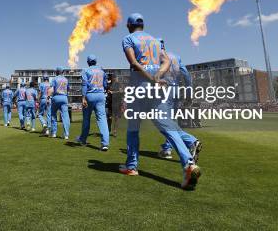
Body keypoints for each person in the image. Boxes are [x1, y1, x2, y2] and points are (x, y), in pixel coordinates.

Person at [118, 13, 201, 190]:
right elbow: (167, 61)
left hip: (139, 89)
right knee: (169, 129)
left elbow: (134, 63)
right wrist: (158, 76)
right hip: (158, 90)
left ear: (128, 25)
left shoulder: (128, 38)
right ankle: (188, 164)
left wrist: (151, 78)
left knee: (133, 129)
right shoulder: (155, 41)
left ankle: (131, 166)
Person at [158, 44, 201, 162]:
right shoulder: (176, 56)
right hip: (176, 90)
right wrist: (188, 91)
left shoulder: (156, 57)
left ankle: (191, 141)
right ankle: (167, 148)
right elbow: (186, 74)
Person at [75, 55, 110, 151]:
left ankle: (83, 139)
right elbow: (105, 84)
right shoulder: (102, 71)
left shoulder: (85, 71)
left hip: (90, 96)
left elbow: (84, 84)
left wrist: (83, 98)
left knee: (86, 119)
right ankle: (105, 143)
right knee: (102, 119)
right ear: (96, 61)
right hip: (100, 95)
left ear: (88, 62)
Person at [48, 67, 70, 139]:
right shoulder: (66, 79)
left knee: (53, 115)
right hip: (64, 98)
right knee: (65, 116)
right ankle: (66, 134)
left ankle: (54, 133)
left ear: (57, 72)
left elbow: (51, 89)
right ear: (63, 72)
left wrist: (48, 97)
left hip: (56, 97)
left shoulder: (55, 79)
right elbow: (68, 89)